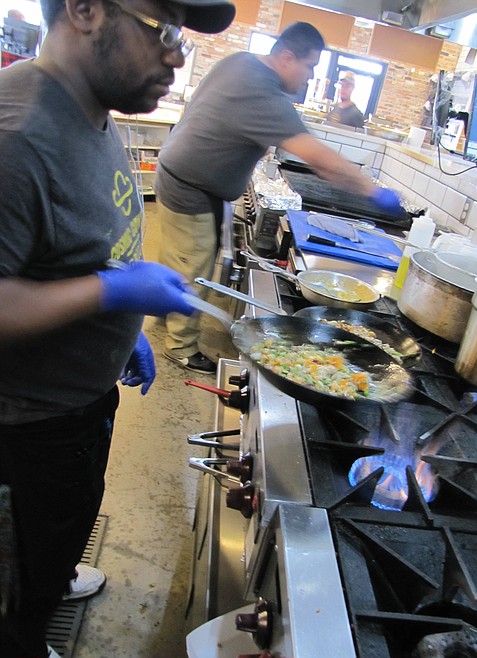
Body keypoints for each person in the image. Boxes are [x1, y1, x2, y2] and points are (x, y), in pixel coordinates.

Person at [0, 0, 235, 656]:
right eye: (165, 30)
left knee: (62, 529)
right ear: (84, 9)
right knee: (20, 574)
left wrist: (119, 324)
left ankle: (49, 574)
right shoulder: (16, 136)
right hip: (27, 430)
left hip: (79, 405)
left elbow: (73, 246)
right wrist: (110, 292)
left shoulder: (92, 109)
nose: (178, 55)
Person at [155, 22, 402, 375]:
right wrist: (373, 192)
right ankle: (180, 347)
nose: (310, 77)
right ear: (287, 57)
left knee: (178, 260)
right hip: (190, 187)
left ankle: (163, 311)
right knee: (192, 268)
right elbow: (319, 159)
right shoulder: (263, 93)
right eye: (309, 66)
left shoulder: (242, 62)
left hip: (179, 172)